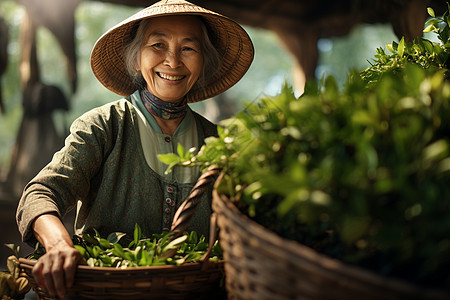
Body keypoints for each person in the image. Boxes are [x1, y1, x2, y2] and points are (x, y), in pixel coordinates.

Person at [16, 0, 254, 298]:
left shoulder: (218, 143)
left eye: (188, 48)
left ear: (203, 60)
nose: (173, 61)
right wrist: (59, 246)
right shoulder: (103, 126)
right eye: (158, 45)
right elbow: (40, 194)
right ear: (136, 57)